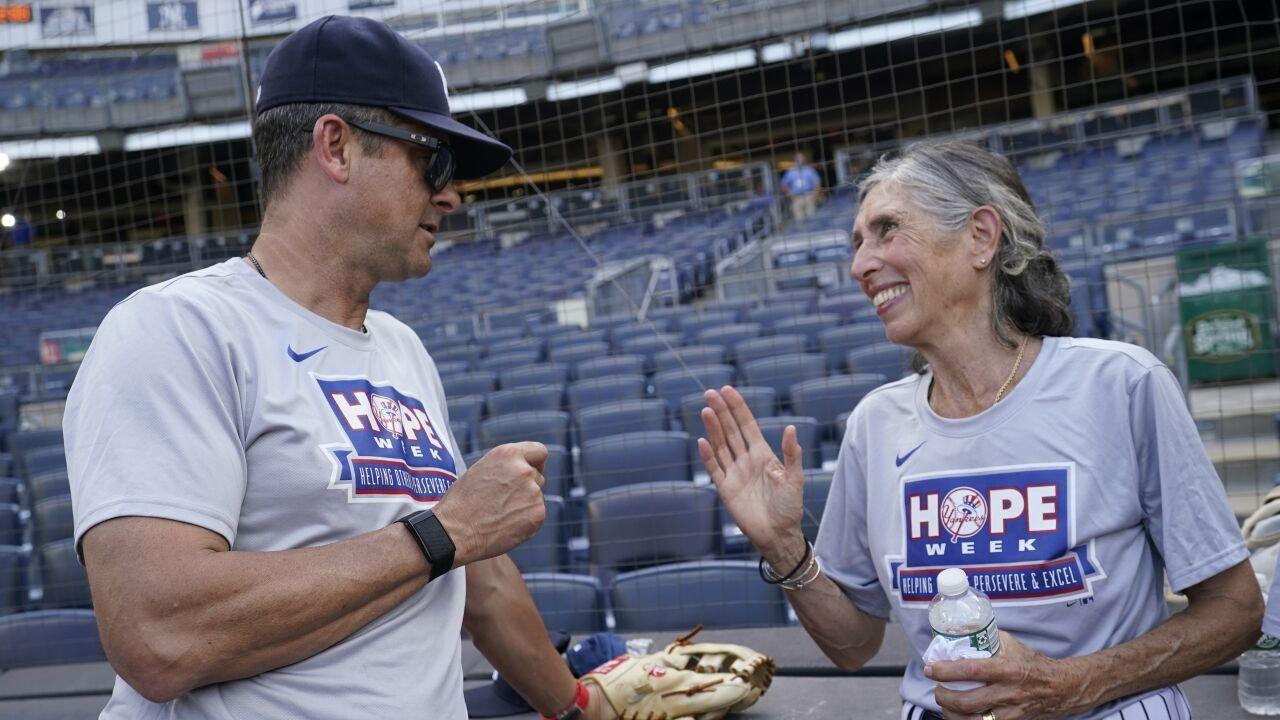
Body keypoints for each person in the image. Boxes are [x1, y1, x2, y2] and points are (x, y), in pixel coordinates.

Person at [64, 16, 604, 720]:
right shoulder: (176, 329)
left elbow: (479, 583)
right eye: (433, 161)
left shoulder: (402, 348)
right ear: (337, 147)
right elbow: (158, 634)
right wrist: (443, 534)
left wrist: (580, 705)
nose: (452, 195)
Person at [698, 140, 1264, 720]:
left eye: (887, 229)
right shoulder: (875, 424)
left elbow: (1237, 611)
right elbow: (854, 644)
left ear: (981, 237)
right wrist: (783, 546)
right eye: (857, 243)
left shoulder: (1121, 384)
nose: (860, 265)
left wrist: (1073, 683)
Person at [781, 152, 821, 223]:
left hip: (809, 195)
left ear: (804, 160)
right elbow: (784, 184)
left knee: (811, 217)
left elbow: (817, 182)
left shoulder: (809, 170)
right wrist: (790, 195)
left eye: (801, 158)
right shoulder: (790, 172)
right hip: (796, 197)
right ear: (795, 160)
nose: (800, 161)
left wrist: (815, 194)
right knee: (798, 219)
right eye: (798, 159)